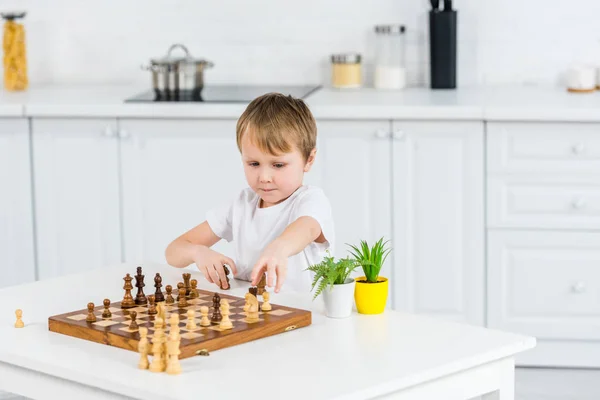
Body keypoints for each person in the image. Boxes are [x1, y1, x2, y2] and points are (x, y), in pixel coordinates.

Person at [164, 92, 335, 293]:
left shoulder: (311, 200)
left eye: (278, 164)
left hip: (306, 315)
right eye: (253, 163)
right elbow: (173, 252)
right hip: (253, 314)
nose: (264, 176)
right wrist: (198, 252)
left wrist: (279, 248)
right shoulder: (241, 204)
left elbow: (307, 229)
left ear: (309, 160)